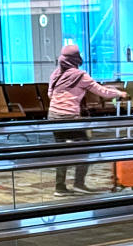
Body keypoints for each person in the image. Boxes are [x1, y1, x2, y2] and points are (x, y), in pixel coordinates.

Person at [47, 44, 125, 196]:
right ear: (76, 58)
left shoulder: (55, 74)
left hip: (53, 116)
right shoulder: (80, 75)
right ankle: (79, 184)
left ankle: (60, 187)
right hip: (70, 117)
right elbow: (101, 91)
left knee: (61, 152)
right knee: (85, 150)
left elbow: (51, 95)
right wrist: (119, 94)